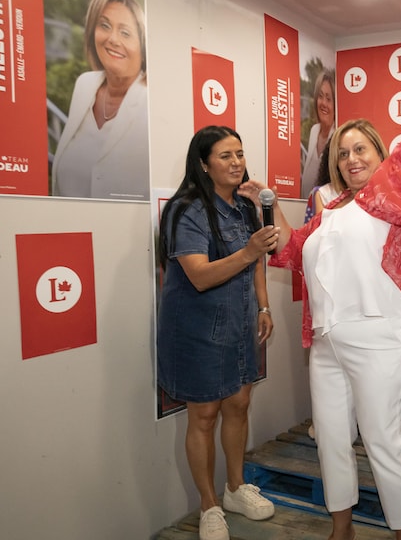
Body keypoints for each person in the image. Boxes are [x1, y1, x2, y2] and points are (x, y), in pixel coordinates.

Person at [260, 18, 401, 540]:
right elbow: (293, 251)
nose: (351, 158)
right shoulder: (328, 210)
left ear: (382, 158)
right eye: (342, 151)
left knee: (385, 441)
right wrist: (263, 206)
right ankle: (343, 530)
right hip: (328, 344)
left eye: (361, 149)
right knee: (332, 440)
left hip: (380, 338)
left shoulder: (389, 194)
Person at [156, 126, 279, 540]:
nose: (236, 163)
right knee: (204, 414)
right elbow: (200, 276)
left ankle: (235, 488)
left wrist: (262, 306)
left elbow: (258, 261)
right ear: (204, 164)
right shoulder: (186, 209)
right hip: (195, 329)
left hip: (240, 322)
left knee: (240, 403)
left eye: (240, 154)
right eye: (226, 156)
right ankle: (209, 506)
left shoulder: (245, 207)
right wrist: (249, 251)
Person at [52, 0, 149, 200]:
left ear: (143, 45)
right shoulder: (84, 85)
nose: (113, 39)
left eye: (125, 33)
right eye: (104, 25)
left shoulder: (151, 102)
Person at [301, 69, 337, 199]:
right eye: (320, 96)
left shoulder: (338, 137)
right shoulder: (314, 130)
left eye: (329, 99)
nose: (323, 103)